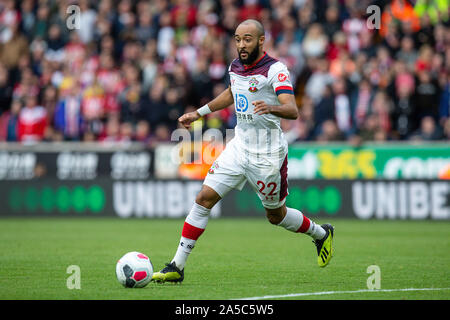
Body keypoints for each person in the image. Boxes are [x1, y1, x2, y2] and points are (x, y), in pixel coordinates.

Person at [152, 20, 335, 283]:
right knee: (204, 198)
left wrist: (270, 107)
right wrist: (199, 113)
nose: (241, 45)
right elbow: (231, 92)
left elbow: (292, 110)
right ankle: (176, 267)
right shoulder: (235, 66)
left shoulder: (276, 70)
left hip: (268, 155)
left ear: (261, 41)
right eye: (237, 39)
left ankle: (320, 233)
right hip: (238, 147)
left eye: (247, 39)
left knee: (276, 215)